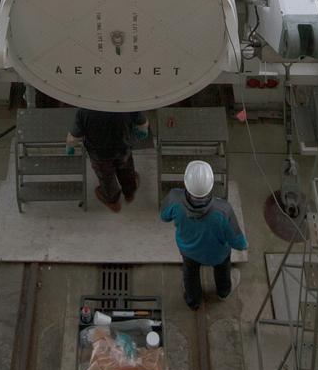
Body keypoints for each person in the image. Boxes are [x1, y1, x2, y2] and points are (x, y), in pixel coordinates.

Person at [160, 160, 247, 309]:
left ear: (186, 183)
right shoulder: (223, 210)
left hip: (188, 251)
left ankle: (193, 300)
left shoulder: (174, 198)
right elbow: (238, 243)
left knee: (190, 272)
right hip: (218, 254)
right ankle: (223, 292)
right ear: (211, 185)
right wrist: (242, 244)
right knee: (222, 270)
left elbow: (164, 216)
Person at [66, 109, 149, 212]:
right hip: (123, 147)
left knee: (106, 177)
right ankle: (129, 193)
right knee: (126, 170)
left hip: (99, 153)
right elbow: (142, 123)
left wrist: (70, 145)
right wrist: (143, 130)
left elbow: (74, 136)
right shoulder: (126, 103)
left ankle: (112, 201)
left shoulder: (85, 110)